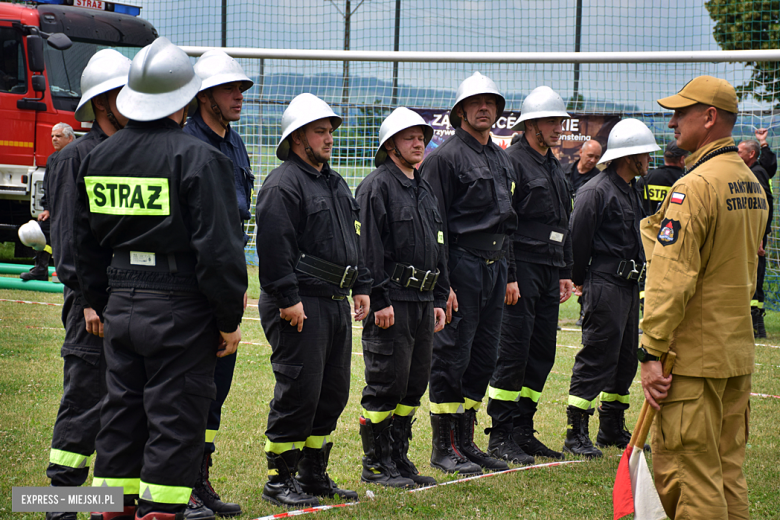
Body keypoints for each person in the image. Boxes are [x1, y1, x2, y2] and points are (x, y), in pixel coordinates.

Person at [75, 37, 247, 520]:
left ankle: (110, 510)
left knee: (120, 416)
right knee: (175, 419)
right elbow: (219, 251)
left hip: (120, 303)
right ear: (187, 99)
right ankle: (162, 512)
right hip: (180, 307)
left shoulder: (98, 157)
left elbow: (83, 242)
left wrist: (98, 300)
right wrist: (227, 319)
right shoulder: (199, 158)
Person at [641, 75, 767, 519]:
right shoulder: (752, 184)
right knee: (727, 472)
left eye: (682, 112)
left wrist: (650, 350)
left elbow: (671, 278)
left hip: (691, 362)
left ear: (709, 117)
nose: (672, 121)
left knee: (690, 477)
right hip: (734, 355)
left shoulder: (693, 188)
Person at [255, 93, 371, 507]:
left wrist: (361, 284)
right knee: (299, 390)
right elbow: (272, 247)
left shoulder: (334, 182)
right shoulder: (283, 184)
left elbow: (354, 239)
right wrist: (287, 297)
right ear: (298, 137)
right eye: (320, 132)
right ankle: (279, 480)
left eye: (330, 132)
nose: (329, 139)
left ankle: (313, 475)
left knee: (332, 392)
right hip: (300, 302)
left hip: (335, 300)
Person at [41, 50, 131, 520]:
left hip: (131, 299)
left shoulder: (131, 150)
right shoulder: (75, 156)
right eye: (123, 93)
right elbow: (68, 239)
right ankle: (60, 504)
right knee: (85, 401)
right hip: (91, 307)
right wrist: (90, 302)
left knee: (122, 407)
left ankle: (106, 503)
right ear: (102, 102)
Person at [420, 72, 517, 475]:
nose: (484, 108)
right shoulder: (444, 158)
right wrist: (444, 284)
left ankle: (467, 441)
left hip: (496, 268)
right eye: (476, 103)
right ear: (460, 111)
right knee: (452, 354)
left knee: (484, 356)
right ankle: (444, 447)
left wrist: (509, 273)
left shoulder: (501, 158)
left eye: (491, 103)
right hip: (461, 265)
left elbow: (506, 221)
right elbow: (433, 224)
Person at [355, 107, 447, 488]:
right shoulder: (377, 186)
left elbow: (440, 243)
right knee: (386, 382)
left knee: (414, 383)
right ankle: (376, 465)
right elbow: (367, 248)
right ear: (390, 145)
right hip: (393, 300)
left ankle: (398, 458)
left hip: (424, 302)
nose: (419, 143)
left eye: (422, 137)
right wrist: (378, 299)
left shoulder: (422, 187)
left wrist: (441, 295)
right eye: (410, 137)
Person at [182, 49, 254, 518]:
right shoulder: (185, 142)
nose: (240, 96)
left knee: (214, 392)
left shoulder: (236, 143)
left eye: (242, 88)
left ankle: (199, 479)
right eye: (231, 88)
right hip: (190, 288)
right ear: (204, 94)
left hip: (227, 284)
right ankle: (176, 484)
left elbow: (237, 218)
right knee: (184, 392)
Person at [486, 86, 573, 465]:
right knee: (514, 352)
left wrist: (566, 271)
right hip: (521, 267)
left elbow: (561, 221)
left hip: (550, 268)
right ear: (531, 125)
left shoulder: (554, 164)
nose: (558, 128)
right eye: (551, 122)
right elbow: (505, 225)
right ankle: (500, 435)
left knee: (542, 353)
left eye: (560, 122)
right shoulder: (513, 163)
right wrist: (510, 275)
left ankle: (523, 430)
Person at [564, 118, 659, 458]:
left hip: (629, 286)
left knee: (623, 361)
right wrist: (579, 280)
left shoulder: (632, 190)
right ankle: (576, 432)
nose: (650, 159)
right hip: (604, 283)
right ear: (629, 156)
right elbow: (578, 239)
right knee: (597, 357)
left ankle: (611, 427)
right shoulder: (596, 191)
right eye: (645, 153)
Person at [20, 123, 75, 281]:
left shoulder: (78, 156)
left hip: (74, 211)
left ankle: (67, 271)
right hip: (55, 210)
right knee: (38, 231)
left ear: (70, 138)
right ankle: (40, 269)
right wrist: (47, 209)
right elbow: (48, 187)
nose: (54, 139)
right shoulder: (53, 159)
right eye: (52, 136)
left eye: (58, 136)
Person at [738, 138, 774, 338]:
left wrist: (760, 234)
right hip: (753, 234)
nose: (736, 154)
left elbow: (764, 206)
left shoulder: (756, 174)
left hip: (755, 236)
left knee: (754, 275)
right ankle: (755, 324)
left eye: (740, 151)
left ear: (751, 154)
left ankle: (756, 324)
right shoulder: (754, 172)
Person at [636, 140, 688, 216]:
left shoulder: (646, 178)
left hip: (646, 225)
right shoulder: (686, 180)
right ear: (682, 159)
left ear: (665, 157)